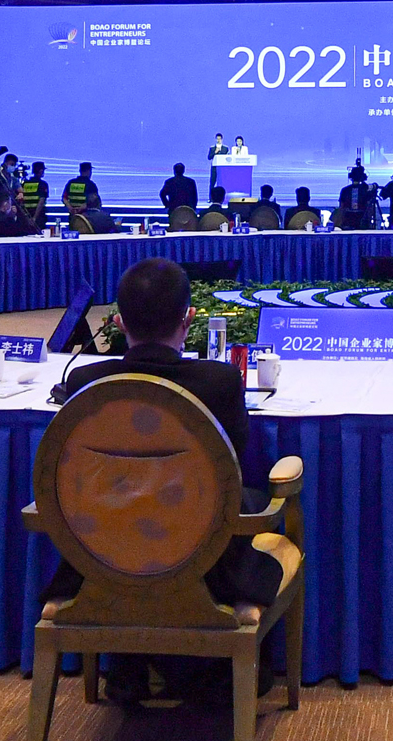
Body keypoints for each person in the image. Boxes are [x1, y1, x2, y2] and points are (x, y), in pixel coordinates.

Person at [44, 256, 284, 704]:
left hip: (105, 558)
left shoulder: (85, 382)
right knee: (241, 503)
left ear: (118, 322)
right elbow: (230, 465)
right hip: (200, 562)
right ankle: (217, 676)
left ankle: (130, 668)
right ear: (188, 319)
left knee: (127, 511)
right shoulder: (219, 381)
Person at [336, 164, 376, 230]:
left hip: (348, 220)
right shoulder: (366, 189)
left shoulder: (345, 190)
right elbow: (370, 208)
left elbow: (341, 207)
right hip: (362, 220)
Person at [17, 162, 50, 229]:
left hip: (26, 216)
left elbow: (20, 201)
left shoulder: (25, 184)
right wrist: (34, 217)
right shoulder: (42, 184)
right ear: (41, 171)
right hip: (38, 216)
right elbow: (41, 201)